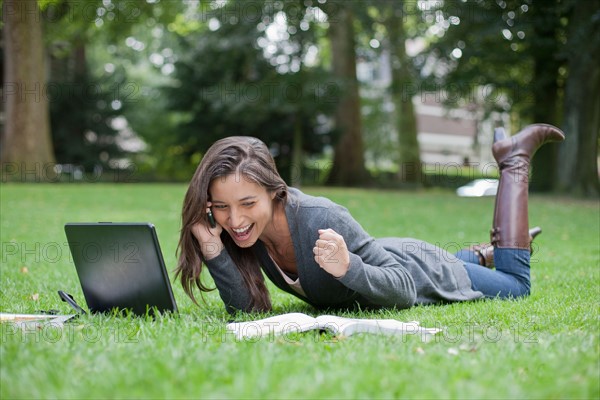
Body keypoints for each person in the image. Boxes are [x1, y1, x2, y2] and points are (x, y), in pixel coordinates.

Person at [175, 124, 565, 314]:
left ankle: (514, 161)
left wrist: (348, 267)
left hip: (424, 272)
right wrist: (212, 248)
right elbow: (248, 312)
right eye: (221, 207)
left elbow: (402, 289)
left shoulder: (318, 217)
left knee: (516, 285)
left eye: (246, 203)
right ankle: (478, 256)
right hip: (393, 254)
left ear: (274, 192)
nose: (235, 219)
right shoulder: (245, 234)